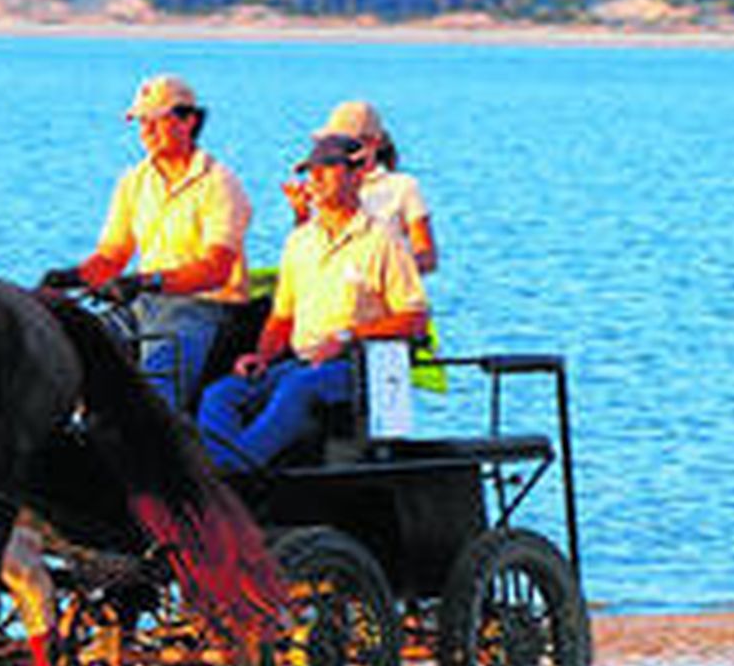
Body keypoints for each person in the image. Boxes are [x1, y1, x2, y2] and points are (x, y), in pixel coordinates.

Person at [197, 133, 429, 475]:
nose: (315, 178)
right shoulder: (299, 242)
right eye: (310, 170)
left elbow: (414, 319)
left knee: (298, 388)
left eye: (327, 167)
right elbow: (282, 318)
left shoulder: (383, 239)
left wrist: (347, 337)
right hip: (303, 362)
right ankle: (218, 469)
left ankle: (235, 470)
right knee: (221, 394)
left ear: (357, 175)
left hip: (357, 367)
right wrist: (261, 357)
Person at [42, 74, 252, 410]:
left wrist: (147, 281)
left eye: (156, 121)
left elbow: (217, 270)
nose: (146, 131)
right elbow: (112, 256)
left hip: (203, 308)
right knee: (73, 348)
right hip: (144, 304)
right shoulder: (134, 182)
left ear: (188, 121)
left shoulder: (220, 184)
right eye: (142, 122)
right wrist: (71, 278)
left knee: (158, 380)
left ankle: (158, 432)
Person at [283, 100, 438, 274]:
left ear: (374, 143)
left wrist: (384, 268)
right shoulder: (324, 186)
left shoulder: (402, 187)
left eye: (347, 143)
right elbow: (309, 251)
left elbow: (427, 256)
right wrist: (301, 214)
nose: (337, 150)